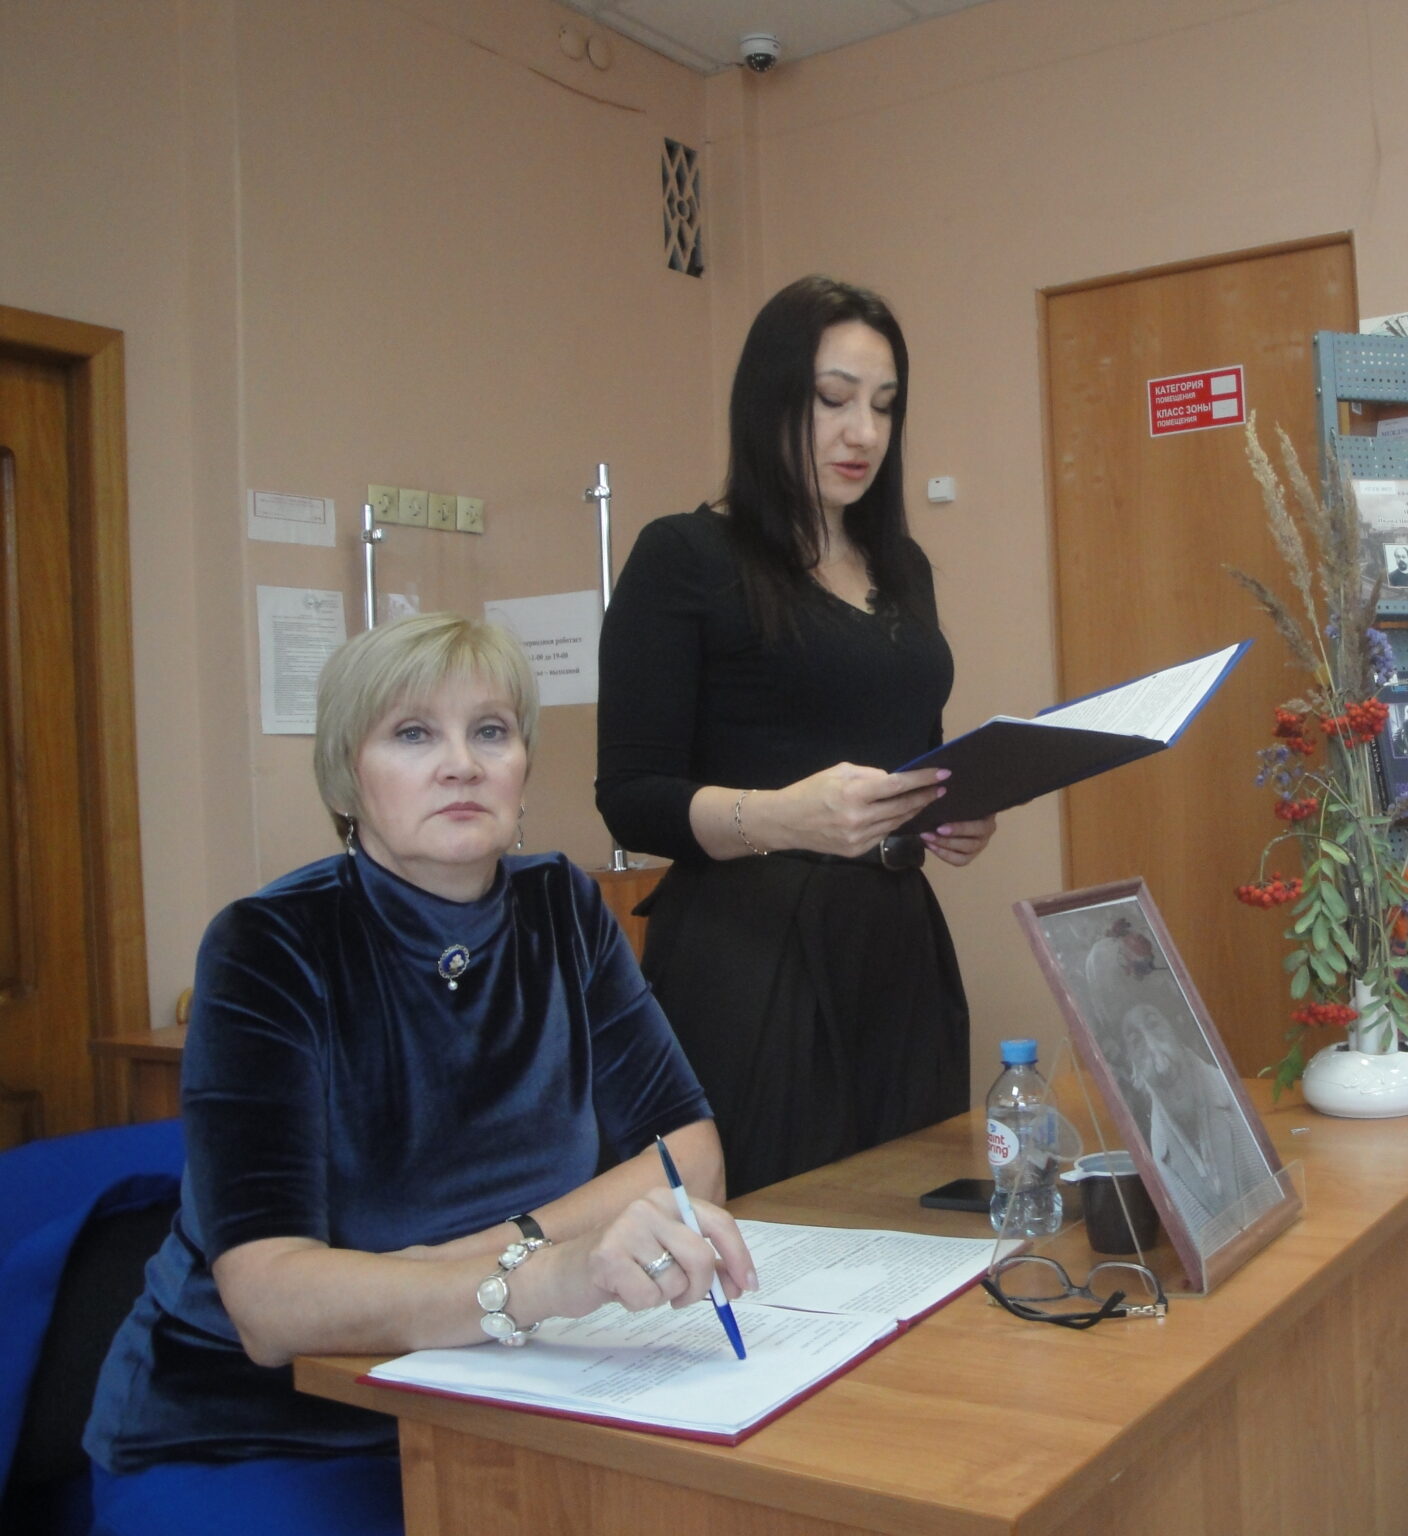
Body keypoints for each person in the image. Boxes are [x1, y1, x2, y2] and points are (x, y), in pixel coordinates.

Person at [84, 614, 754, 1536]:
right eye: (412, 734)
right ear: (346, 776)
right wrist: (542, 1278)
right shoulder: (270, 945)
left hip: (502, 1394)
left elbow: (691, 1157)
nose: (461, 765)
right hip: (263, 1426)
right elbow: (270, 1304)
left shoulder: (562, 906)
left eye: (491, 731)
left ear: (522, 767)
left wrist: (485, 1254)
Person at [597, 275, 995, 1198]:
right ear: (769, 398)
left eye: (884, 407)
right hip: (753, 951)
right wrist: (785, 816)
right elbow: (631, 796)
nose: (864, 432)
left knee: (916, 1216)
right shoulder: (686, 556)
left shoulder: (902, 568)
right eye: (833, 400)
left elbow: (910, 748)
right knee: (785, 1227)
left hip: (897, 941)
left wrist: (953, 806)